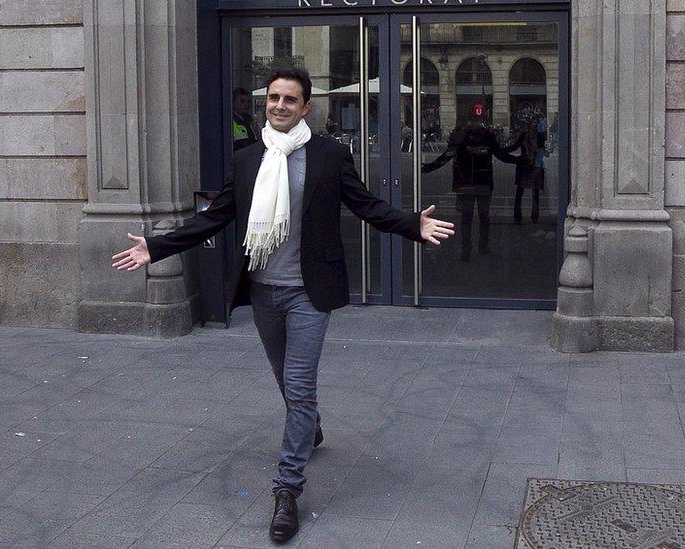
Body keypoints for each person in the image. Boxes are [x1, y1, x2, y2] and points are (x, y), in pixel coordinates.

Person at [110, 67, 454, 544]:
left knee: (298, 382)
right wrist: (158, 246)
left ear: (306, 107)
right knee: (285, 380)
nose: (279, 105)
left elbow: (366, 205)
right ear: (265, 103)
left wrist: (411, 224)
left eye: (290, 99)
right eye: (273, 98)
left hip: (309, 293)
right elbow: (217, 215)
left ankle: (287, 489)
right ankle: (308, 426)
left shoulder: (331, 155)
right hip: (264, 291)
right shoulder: (249, 157)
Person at [422, 104, 516, 261]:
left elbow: (446, 156)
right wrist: (520, 159)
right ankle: (483, 246)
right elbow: (501, 154)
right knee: (484, 217)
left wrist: (428, 168)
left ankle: (466, 249)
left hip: (464, 182)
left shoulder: (460, 137)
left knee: (467, 217)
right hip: (483, 181)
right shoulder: (487, 135)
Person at [232, 87, 258, 151]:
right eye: (242, 101)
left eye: (248, 102)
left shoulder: (249, 121)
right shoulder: (230, 122)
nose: (246, 105)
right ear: (233, 103)